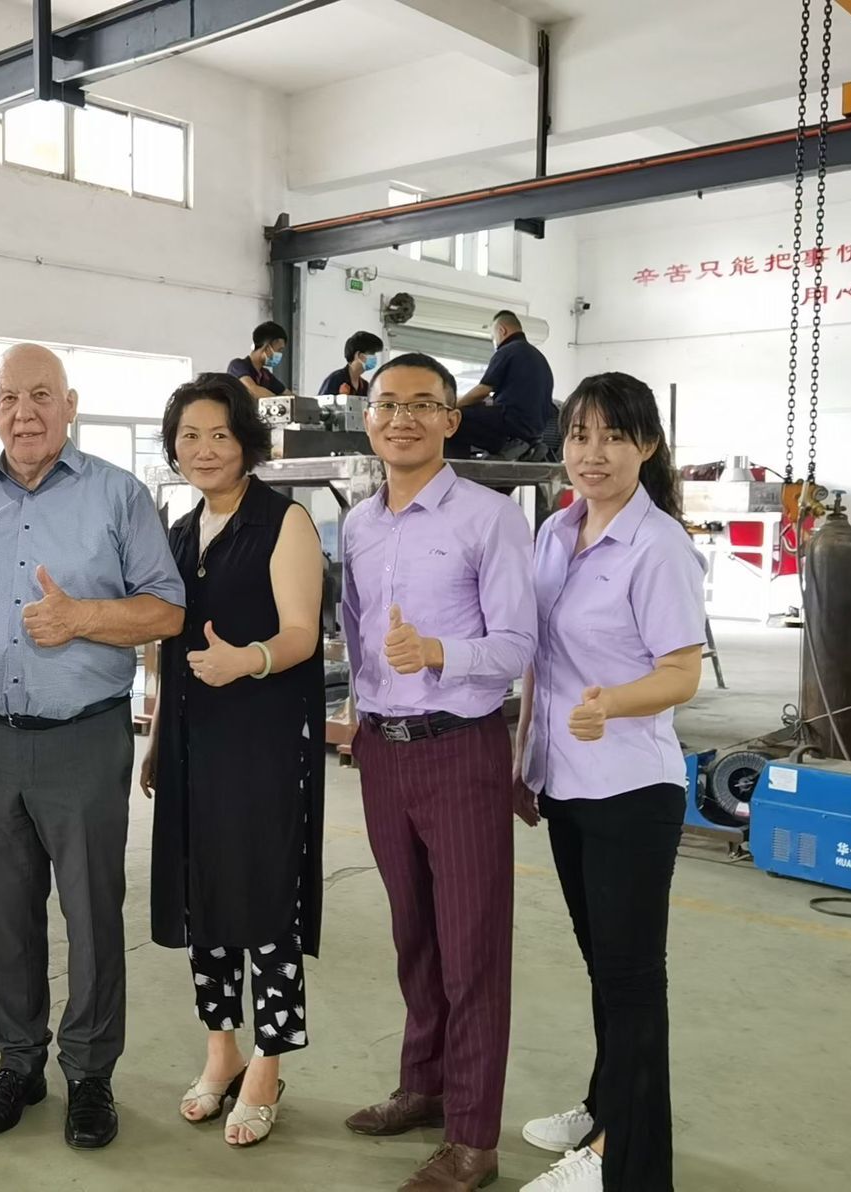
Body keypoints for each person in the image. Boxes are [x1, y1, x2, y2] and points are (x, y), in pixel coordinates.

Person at [0, 342, 185, 1151]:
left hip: (84, 738)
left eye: (42, 395)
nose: (25, 412)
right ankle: (18, 1063)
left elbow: (166, 609)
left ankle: (91, 1074)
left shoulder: (118, 495)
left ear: (70, 406)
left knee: (93, 914)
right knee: (4, 912)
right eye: (10, 397)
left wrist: (82, 619)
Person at [337, 351, 537, 1192]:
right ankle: (423, 1087)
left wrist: (438, 653)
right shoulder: (358, 524)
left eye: (423, 404)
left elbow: (519, 645)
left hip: (461, 749)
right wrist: (358, 717)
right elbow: (353, 627)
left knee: (471, 949)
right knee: (413, 934)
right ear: (368, 419)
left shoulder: (492, 519)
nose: (403, 419)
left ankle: (473, 1140)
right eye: (388, 404)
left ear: (452, 420)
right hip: (383, 751)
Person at [513, 373, 707, 1192]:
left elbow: (681, 673)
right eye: (579, 435)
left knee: (630, 979)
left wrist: (612, 705)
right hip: (567, 784)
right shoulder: (557, 531)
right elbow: (539, 658)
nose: (593, 454)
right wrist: (526, 758)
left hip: (630, 790)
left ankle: (620, 1161)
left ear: (647, 447)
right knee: (604, 966)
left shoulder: (658, 547)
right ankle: (605, 1109)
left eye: (613, 437)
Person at [138, 374, 327, 1148]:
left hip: (264, 743)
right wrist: (158, 737)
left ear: (247, 441)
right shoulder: (181, 533)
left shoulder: (285, 523)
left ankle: (268, 1064)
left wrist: (245, 661)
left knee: (265, 898)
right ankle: (221, 1051)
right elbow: (167, 646)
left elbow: (303, 633)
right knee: (203, 895)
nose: (204, 449)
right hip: (193, 742)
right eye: (189, 436)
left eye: (219, 434)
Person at [450, 311, 556, 460]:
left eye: (493, 337)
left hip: (510, 424)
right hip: (535, 430)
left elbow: (482, 390)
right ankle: (527, 446)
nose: (494, 341)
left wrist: (453, 406)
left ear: (502, 330)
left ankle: (504, 447)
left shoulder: (508, 350)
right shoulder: (538, 357)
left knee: (452, 419)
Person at [227, 320, 290, 400]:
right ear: (267, 348)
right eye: (279, 350)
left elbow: (288, 394)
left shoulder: (265, 375)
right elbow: (253, 390)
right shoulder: (237, 366)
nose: (280, 354)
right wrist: (281, 401)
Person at [319, 331, 385, 400]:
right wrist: (341, 398)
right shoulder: (335, 380)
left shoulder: (365, 386)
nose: (374, 357)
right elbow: (320, 405)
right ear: (359, 355)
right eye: (372, 353)